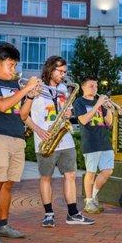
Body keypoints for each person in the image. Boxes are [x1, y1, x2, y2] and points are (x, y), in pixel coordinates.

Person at [0, 42, 40, 243]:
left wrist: (30, 96)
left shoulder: (15, 86)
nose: (14, 69)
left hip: (17, 137)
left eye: (14, 65)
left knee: (8, 183)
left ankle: (3, 225)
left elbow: (22, 114)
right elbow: (3, 105)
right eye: (10, 65)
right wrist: (26, 89)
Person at [25, 56, 94, 227]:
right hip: (46, 139)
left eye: (65, 71)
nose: (63, 74)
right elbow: (24, 116)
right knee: (46, 177)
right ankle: (48, 213)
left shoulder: (63, 88)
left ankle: (73, 213)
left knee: (70, 175)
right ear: (50, 69)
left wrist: (68, 113)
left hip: (65, 138)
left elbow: (67, 110)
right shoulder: (37, 87)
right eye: (60, 71)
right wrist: (39, 131)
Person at [73, 77, 114, 214]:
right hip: (90, 141)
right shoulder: (79, 102)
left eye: (96, 86)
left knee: (108, 171)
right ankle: (89, 201)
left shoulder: (100, 103)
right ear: (83, 87)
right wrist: (98, 105)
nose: (95, 88)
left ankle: (92, 197)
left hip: (104, 141)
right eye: (91, 86)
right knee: (91, 173)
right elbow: (84, 120)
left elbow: (108, 123)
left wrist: (109, 109)